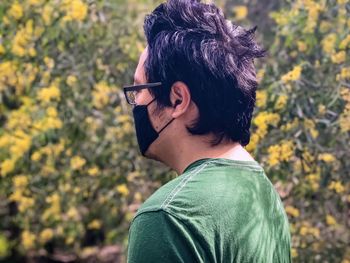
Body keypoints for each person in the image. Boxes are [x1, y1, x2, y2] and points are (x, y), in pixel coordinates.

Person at [124, 0, 292, 262]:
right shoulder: (262, 192)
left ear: (178, 100)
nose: (137, 104)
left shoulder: (170, 217)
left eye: (139, 90)